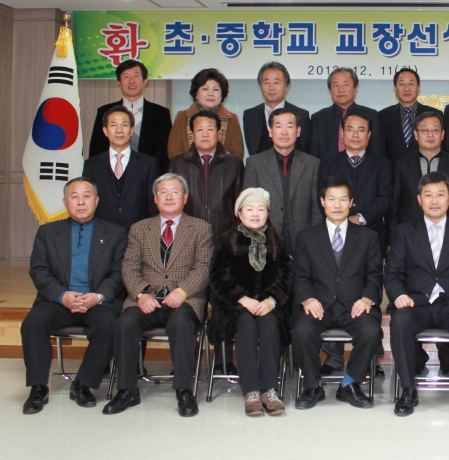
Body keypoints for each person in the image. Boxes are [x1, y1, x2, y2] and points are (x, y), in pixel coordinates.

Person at [104, 174, 213, 417]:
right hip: (147, 299)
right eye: (163, 192)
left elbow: (203, 267)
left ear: (185, 197)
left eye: (175, 191)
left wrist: (182, 291)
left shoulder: (201, 228)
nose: (169, 197)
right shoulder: (140, 228)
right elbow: (129, 266)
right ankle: (126, 389)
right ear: (155, 198)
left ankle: (184, 390)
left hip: (185, 299)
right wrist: (140, 294)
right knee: (124, 324)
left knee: (181, 324)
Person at [20, 177, 127, 414]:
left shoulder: (115, 232)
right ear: (65, 202)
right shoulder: (47, 232)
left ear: (96, 201)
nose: (80, 202)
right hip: (59, 301)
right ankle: (38, 387)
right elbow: (38, 270)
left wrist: (98, 296)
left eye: (86, 196)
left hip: (98, 301)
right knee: (33, 323)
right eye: (74, 197)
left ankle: (83, 384)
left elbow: (119, 272)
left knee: (111, 325)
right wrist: (62, 295)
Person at [385, 172, 449, 417]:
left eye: (440, 195)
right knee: (400, 321)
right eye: (428, 195)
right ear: (419, 199)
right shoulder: (405, 232)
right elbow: (392, 272)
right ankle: (408, 389)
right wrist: (399, 296)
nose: (434, 200)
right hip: (416, 303)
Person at [291, 177, 383, 410]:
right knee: (301, 331)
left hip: (354, 304)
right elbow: (300, 276)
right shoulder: (306, 237)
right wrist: (308, 298)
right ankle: (313, 385)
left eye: (343, 199)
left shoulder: (368, 237)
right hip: (319, 304)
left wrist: (367, 298)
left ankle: (350, 384)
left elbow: (374, 275)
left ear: (351, 202)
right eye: (331, 199)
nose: (337, 204)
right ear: (322, 202)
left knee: (371, 331)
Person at [208, 188, 293, 416]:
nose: (255, 214)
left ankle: (269, 390)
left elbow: (286, 277)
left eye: (261, 209)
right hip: (233, 306)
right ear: (239, 213)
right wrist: (242, 299)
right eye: (249, 209)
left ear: (268, 213)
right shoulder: (225, 241)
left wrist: (271, 301)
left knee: (270, 325)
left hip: (269, 306)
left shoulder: (278, 241)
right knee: (245, 325)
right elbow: (217, 278)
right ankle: (251, 391)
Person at [243, 108, 322, 254]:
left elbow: (317, 210)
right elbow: (247, 207)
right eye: (278, 126)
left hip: (303, 242)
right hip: (265, 241)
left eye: (289, 126)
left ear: (298, 131)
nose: (284, 132)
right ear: (270, 131)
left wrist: (313, 240)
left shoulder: (312, 164)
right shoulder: (254, 163)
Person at [318, 113, 393, 253]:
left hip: (371, 234)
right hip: (335, 234)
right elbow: (322, 196)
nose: (355, 135)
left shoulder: (383, 164)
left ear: (369, 134)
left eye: (361, 130)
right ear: (342, 133)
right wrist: (341, 219)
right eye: (350, 129)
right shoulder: (328, 163)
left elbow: (385, 198)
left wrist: (360, 218)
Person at [391, 111, 449, 241]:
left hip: (447, 232)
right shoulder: (401, 164)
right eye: (425, 130)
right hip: (409, 233)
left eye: (435, 130)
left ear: (442, 134)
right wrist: (391, 240)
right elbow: (394, 205)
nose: (430, 134)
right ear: (416, 134)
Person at [169, 109, 244, 238]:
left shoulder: (234, 164)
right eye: (199, 129)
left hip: (225, 238)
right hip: (186, 237)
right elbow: (170, 204)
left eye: (210, 129)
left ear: (218, 133)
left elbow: (241, 205)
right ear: (192, 133)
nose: (205, 134)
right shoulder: (177, 164)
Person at [88, 59, 172, 173]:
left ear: (145, 81)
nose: (131, 81)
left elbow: (165, 152)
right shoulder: (104, 111)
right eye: (126, 76)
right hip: (111, 173)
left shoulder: (161, 113)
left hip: (149, 175)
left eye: (136, 76)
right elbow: (96, 149)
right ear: (119, 82)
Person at [83, 105, 159, 229]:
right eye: (113, 125)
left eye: (124, 125)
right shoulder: (91, 165)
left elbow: (153, 204)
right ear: (105, 131)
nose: (119, 130)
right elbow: (87, 202)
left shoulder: (148, 164)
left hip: (138, 233)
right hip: (101, 234)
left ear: (132, 130)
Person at [168, 68, 244, 159]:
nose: (210, 94)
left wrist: (219, 166)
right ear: (196, 93)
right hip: (187, 167)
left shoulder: (231, 118)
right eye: (205, 89)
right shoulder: (182, 116)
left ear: (222, 94)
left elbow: (237, 153)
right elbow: (174, 151)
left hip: (223, 168)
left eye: (215, 89)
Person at [309, 67, 384, 158]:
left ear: (355, 88)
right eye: (336, 85)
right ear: (330, 90)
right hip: (328, 167)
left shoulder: (371, 115)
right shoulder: (318, 118)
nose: (341, 90)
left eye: (345, 84)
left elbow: (377, 151)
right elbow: (313, 156)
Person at [243, 62, 312, 156]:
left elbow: (304, 152)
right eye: (267, 83)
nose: (271, 87)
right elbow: (252, 150)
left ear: (286, 86)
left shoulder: (301, 115)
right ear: (260, 86)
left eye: (276, 82)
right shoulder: (250, 115)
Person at [378, 68, 439, 162]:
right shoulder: (383, 116)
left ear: (418, 88)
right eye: (402, 84)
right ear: (395, 88)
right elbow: (379, 150)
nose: (406, 88)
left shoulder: (435, 115)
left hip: (425, 169)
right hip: (393, 170)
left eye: (411, 84)